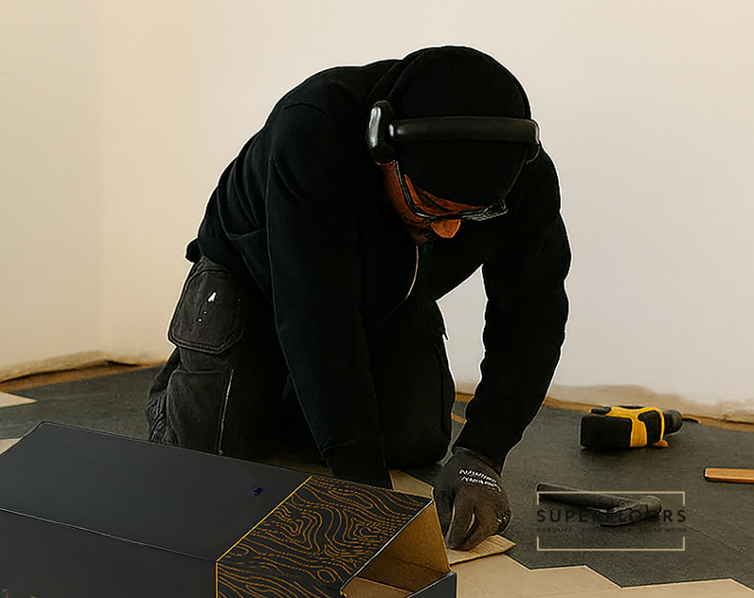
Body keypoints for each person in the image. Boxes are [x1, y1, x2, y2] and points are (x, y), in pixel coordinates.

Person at [146, 45, 570, 550]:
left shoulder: (522, 173)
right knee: (204, 459)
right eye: (431, 205)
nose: (450, 231)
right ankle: (195, 387)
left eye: (473, 214)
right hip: (251, 277)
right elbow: (316, 320)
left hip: (387, 290)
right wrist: (367, 500)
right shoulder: (312, 129)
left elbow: (533, 316)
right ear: (381, 149)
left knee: (410, 443)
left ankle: (291, 401)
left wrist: (483, 455)